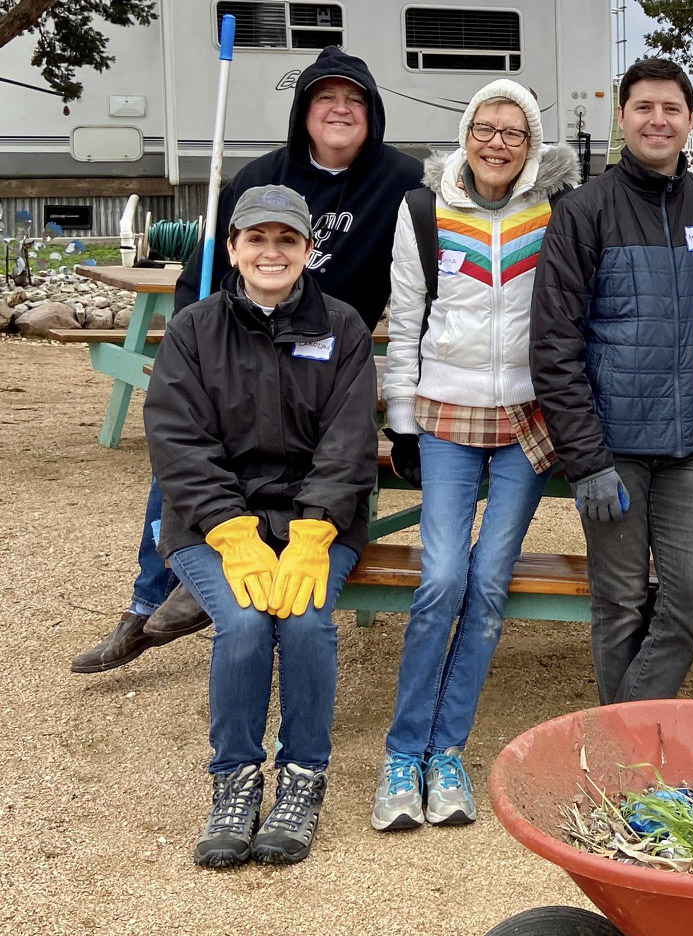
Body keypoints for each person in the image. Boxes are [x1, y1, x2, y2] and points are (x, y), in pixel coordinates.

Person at [71, 45, 422, 675]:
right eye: (326, 97)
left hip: (326, 360)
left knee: (324, 465)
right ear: (303, 111)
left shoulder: (404, 181)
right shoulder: (262, 176)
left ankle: (273, 564)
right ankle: (151, 598)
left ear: (373, 113)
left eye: (355, 99)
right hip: (239, 349)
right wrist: (189, 355)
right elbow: (199, 275)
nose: (340, 109)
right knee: (183, 455)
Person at [144, 184, 378, 868]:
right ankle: (235, 780)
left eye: (286, 239)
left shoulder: (343, 328)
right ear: (233, 249)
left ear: (308, 249)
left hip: (317, 519)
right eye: (256, 239)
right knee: (244, 624)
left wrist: (313, 531)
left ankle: (303, 777)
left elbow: (348, 442)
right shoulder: (194, 329)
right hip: (211, 523)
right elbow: (178, 442)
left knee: (305, 622)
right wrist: (231, 529)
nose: (271, 252)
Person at [372, 80, 582, 832]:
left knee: (490, 583)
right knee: (442, 579)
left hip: (528, 416)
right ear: (465, 134)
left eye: (514, 132)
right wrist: (401, 421)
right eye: (485, 128)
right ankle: (404, 753)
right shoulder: (423, 210)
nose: (497, 142)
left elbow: (570, 317)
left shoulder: (555, 212)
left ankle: (448, 750)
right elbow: (406, 320)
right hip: (444, 411)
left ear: (532, 145)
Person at [529, 57, 693, 705]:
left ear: (690, 120)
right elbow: (554, 344)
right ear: (620, 117)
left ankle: (615, 732)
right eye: (643, 107)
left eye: (670, 108)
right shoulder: (583, 211)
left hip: (690, 450)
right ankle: (626, 746)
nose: (657, 120)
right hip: (612, 450)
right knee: (620, 601)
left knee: (692, 599)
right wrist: (586, 460)